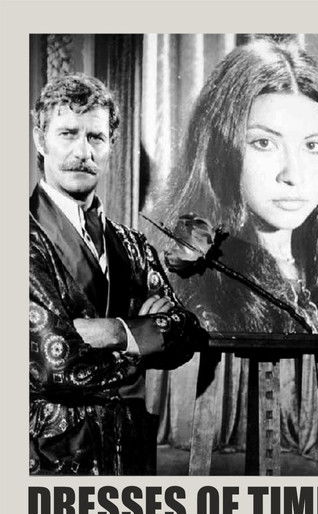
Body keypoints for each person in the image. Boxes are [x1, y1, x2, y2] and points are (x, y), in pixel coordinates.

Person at [30, 73, 201, 475]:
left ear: (111, 146)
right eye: (68, 134)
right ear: (41, 140)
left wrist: (112, 332)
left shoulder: (131, 243)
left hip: (129, 453)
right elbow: (50, 364)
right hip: (51, 458)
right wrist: (141, 339)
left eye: (96, 137)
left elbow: (187, 333)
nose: (82, 151)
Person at [157, 37, 318, 335]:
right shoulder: (192, 287)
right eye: (264, 143)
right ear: (220, 150)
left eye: (313, 145)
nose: (293, 175)